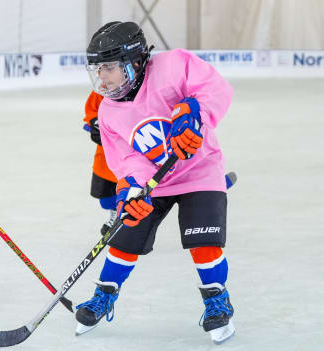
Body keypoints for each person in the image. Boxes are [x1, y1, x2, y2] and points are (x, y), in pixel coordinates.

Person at [74, 22, 236, 344]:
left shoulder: (173, 65)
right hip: (155, 183)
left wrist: (194, 112)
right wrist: (132, 189)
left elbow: (215, 89)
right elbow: (126, 158)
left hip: (199, 171)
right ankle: (104, 294)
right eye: (98, 70)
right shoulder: (107, 111)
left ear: (134, 63)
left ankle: (217, 300)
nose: (101, 78)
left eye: (108, 68)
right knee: (124, 238)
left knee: (204, 243)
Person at [83, 91, 119, 235]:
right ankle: (115, 213)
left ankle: (124, 218)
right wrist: (94, 123)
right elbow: (92, 109)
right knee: (105, 198)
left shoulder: (139, 86)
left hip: (131, 152)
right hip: (105, 157)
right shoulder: (103, 89)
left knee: (131, 191)